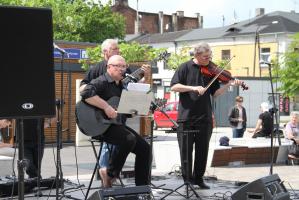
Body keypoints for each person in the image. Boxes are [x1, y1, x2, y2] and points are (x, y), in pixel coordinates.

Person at [170, 42, 242, 189]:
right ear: (196, 55)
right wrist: (193, 88)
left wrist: (228, 85)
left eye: (210, 57)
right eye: (205, 57)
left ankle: (198, 178)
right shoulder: (184, 67)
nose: (208, 60)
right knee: (186, 151)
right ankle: (187, 180)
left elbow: (215, 93)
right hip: (186, 117)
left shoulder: (211, 70)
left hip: (205, 117)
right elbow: (174, 86)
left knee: (202, 150)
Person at [81, 55, 151, 188]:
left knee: (145, 148)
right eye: (117, 66)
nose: (121, 69)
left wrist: (135, 110)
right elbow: (86, 93)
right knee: (128, 139)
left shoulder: (123, 85)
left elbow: (125, 112)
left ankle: (142, 189)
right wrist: (106, 107)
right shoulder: (101, 81)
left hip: (114, 124)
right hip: (98, 125)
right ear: (108, 67)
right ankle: (110, 174)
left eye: (124, 66)